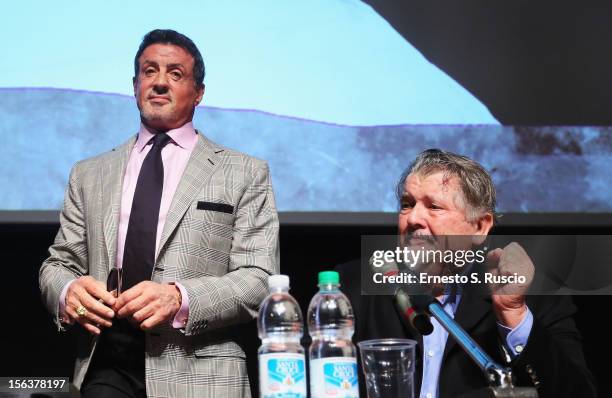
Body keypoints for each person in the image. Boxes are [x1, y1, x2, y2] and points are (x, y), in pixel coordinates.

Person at [39, 29, 279, 398]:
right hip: (106, 368)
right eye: (150, 71)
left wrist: (180, 298)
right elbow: (58, 264)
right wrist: (67, 291)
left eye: (176, 73)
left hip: (201, 373)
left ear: (199, 93)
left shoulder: (244, 171)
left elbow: (260, 278)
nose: (160, 83)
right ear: (135, 85)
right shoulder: (89, 173)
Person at [336, 149, 596, 397]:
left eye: (434, 207)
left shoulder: (532, 295)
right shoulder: (353, 284)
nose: (412, 218)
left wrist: (513, 315)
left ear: (480, 226)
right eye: (407, 204)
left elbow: (576, 393)